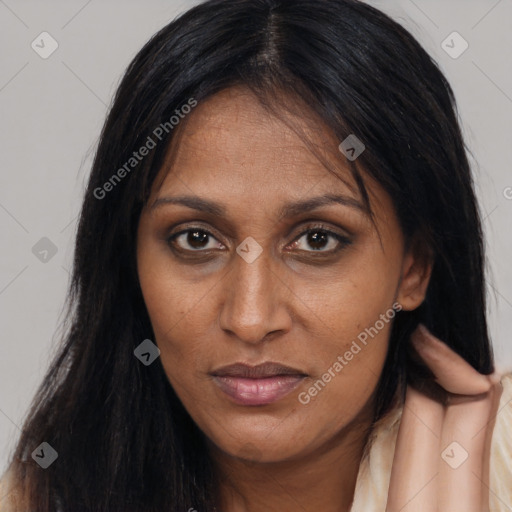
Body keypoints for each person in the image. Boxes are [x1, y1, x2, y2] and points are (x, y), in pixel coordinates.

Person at [1, 0, 511, 510]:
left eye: (318, 240)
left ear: (413, 266)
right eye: (196, 239)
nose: (249, 319)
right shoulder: (40, 497)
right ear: (130, 259)